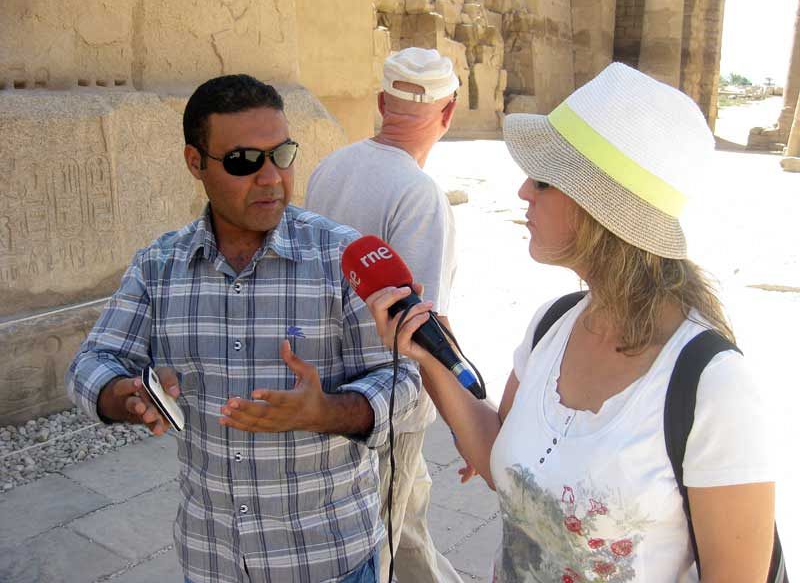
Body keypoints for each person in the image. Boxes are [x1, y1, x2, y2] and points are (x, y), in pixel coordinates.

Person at [364, 63, 776, 582]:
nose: (522, 193)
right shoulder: (551, 325)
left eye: (542, 179)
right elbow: (498, 456)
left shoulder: (713, 385)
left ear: (596, 209)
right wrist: (425, 358)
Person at [66, 74, 421, 583]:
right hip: (211, 560)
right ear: (196, 163)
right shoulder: (159, 266)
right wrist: (125, 395)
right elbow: (89, 363)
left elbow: (404, 378)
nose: (272, 177)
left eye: (282, 154)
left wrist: (328, 411)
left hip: (328, 563)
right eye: (244, 162)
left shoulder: (341, 258)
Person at [305, 47, 463, 583]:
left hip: (330, 388)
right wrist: (469, 427)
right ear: (448, 114)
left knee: (408, 509)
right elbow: (421, 332)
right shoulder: (419, 194)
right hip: (383, 404)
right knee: (380, 539)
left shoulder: (330, 167)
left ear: (380, 103)